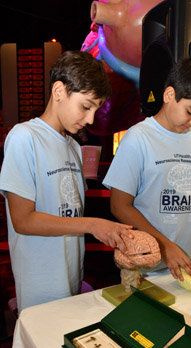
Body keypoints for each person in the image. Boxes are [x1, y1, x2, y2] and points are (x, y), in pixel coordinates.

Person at [0, 50, 132, 312]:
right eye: (86, 106)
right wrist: (93, 224)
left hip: (71, 276)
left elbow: (68, 211)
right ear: (59, 91)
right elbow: (22, 220)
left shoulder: (73, 146)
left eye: (95, 109)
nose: (90, 119)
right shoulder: (24, 137)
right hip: (39, 284)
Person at [103, 57, 191, 281]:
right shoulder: (137, 138)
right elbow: (119, 206)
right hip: (146, 267)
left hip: (189, 262)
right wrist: (164, 246)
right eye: (190, 111)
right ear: (169, 95)